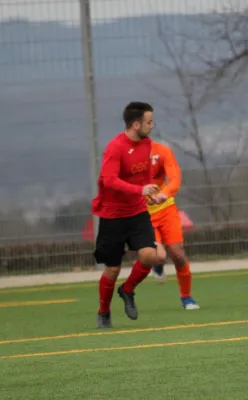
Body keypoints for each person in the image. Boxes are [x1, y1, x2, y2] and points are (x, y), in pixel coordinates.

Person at [93, 101, 167, 329]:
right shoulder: (115, 147)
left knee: (150, 256)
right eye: (148, 122)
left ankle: (127, 290)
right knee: (112, 269)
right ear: (136, 124)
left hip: (137, 212)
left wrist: (149, 194)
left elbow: (141, 177)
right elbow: (109, 180)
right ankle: (104, 312)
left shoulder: (147, 144)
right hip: (113, 215)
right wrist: (139, 190)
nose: (152, 126)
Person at [146, 140, 200, 310]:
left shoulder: (162, 151)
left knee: (178, 254)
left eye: (151, 122)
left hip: (167, 209)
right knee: (159, 255)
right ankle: (158, 265)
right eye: (147, 122)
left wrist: (165, 193)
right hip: (143, 215)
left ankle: (187, 297)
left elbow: (175, 178)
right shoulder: (125, 153)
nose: (150, 126)